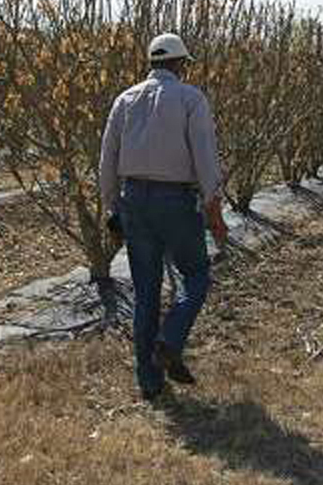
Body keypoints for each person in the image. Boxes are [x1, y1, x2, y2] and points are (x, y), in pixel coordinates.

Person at [99, 33, 229, 401]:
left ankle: (150, 381)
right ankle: (170, 339)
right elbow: (204, 158)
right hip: (176, 201)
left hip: (134, 200)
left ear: (152, 63)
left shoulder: (125, 99)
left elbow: (107, 159)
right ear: (180, 64)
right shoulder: (191, 99)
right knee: (196, 275)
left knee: (146, 293)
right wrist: (213, 209)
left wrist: (113, 208)